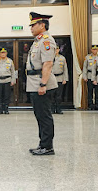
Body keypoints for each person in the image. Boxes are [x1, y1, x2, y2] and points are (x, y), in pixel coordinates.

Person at [26, 12, 58, 156]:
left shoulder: (47, 41)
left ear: (42, 25)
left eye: (33, 25)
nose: (31, 28)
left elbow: (48, 64)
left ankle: (48, 147)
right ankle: (42, 144)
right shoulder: (38, 41)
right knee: (40, 115)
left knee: (44, 116)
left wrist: (43, 84)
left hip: (41, 83)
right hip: (35, 82)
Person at [0, 48, 16, 114]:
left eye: (4, 53)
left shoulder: (10, 61)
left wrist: (13, 80)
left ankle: (6, 108)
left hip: (7, 80)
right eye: (1, 53)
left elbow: (13, 71)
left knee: (7, 95)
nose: (3, 54)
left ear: (6, 53)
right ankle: (0, 109)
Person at [51, 45, 68, 114]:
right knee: (51, 95)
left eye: (57, 49)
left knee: (59, 95)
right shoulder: (49, 58)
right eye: (54, 49)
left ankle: (58, 109)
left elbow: (65, 69)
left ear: (59, 50)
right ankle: (52, 109)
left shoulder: (62, 58)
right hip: (51, 78)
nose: (56, 51)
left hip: (60, 78)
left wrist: (65, 79)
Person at [83, 45, 98, 110]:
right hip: (89, 76)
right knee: (90, 92)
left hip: (97, 77)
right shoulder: (87, 57)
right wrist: (85, 76)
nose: (94, 50)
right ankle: (90, 105)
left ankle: (97, 105)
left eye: (96, 49)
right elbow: (85, 67)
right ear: (91, 50)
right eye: (93, 49)